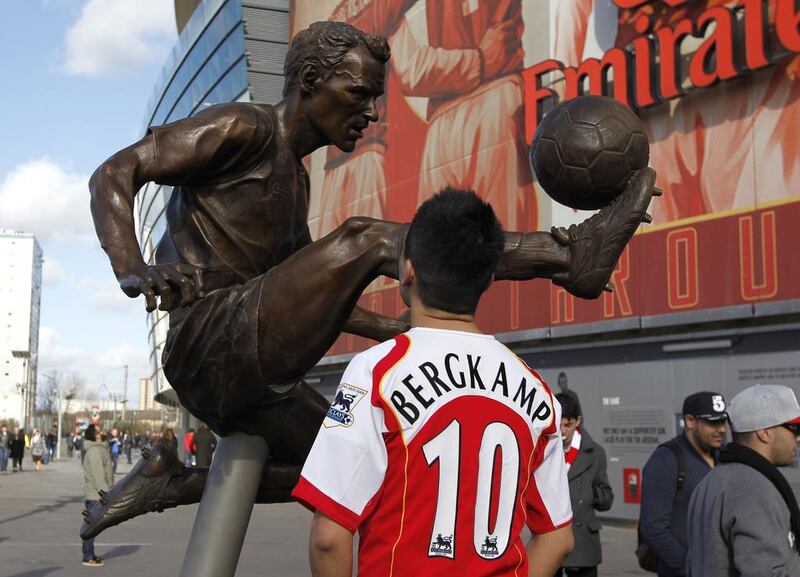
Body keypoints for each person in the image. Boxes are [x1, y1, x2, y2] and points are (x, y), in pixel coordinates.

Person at [81, 19, 658, 539]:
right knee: (364, 237)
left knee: (353, 471)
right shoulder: (244, 128)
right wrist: (133, 267)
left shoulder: (297, 181)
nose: (372, 113)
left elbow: (306, 288)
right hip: (210, 342)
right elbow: (115, 171)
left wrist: (388, 329)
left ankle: (174, 483)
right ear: (309, 80)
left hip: (247, 360)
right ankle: (563, 258)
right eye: (358, 94)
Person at [292, 189, 574, 577]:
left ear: (408, 271)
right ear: (488, 278)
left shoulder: (377, 372)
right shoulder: (537, 390)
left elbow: (329, 536)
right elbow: (558, 538)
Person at [687, 384, 800, 576]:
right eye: (794, 428)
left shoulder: (711, 480)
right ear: (764, 432)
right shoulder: (754, 488)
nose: (798, 438)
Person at [639, 391, 728, 577]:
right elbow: (653, 527)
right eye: (713, 422)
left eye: (723, 421)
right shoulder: (666, 459)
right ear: (689, 421)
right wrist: (687, 567)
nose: (721, 429)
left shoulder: (723, 457)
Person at [554, 392, 613, 577]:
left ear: (578, 421)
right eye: (559, 424)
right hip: (551, 539)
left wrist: (590, 494)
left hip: (583, 542)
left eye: (568, 425)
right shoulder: (544, 449)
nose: (562, 431)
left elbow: (607, 498)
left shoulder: (595, 453)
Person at [81, 424, 112, 567]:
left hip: (96, 494)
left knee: (92, 526)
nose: (103, 431)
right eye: (100, 430)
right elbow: (98, 475)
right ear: (95, 435)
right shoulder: (94, 452)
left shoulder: (100, 449)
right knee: (91, 526)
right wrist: (106, 495)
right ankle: (87, 556)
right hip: (95, 496)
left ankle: (89, 554)